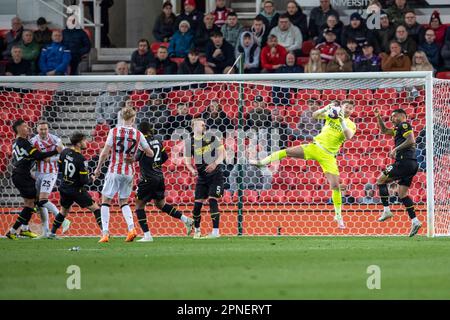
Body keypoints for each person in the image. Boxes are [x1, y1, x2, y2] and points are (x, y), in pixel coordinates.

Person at [251, 100, 357, 229]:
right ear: (342, 106)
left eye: (351, 108)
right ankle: (262, 163)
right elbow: (314, 115)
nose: (348, 110)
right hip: (315, 147)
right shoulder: (332, 114)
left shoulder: (351, 124)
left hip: (329, 156)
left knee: (335, 186)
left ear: (352, 111)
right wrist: (326, 107)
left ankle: (338, 216)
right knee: (287, 151)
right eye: (346, 107)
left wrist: (341, 121)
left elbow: (348, 136)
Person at [94, 107, 155, 243]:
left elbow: (104, 153)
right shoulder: (138, 134)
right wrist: (135, 156)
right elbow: (150, 153)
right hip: (129, 173)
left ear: (121, 118)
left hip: (114, 170)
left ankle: (105, 233)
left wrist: (98, 168)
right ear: (133, 119)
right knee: (124, 202)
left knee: (106, 201)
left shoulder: (114, 131)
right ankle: (131, 229)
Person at [134, 122, 193, 242]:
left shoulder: (142, 142)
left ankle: (147, 235)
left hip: (148, 178)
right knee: (160, 204)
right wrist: (156, 165)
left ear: (140, 131)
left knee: (139, 206)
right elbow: (165, 157)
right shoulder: (157, 140)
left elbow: (137, 157)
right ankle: (186, 220)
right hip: (159, 177)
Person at [5, 119, 62, 240]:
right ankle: (13, 231)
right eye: (25, 126)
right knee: (30, 205)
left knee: (35, 201)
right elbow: (39, 156)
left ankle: (25, 229)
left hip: (21, 174)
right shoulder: (25, 142)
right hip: (22, 175)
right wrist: (55, 151)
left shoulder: (16, 142)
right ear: (19, 129)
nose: (27, 128)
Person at [374, 108, 422, 237]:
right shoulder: (397, 130)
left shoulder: (404, 124)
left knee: (380, 180)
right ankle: (415, 221)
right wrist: (378, 116)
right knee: (402, 194)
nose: (391, 118)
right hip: (411, 165)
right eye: (390, 116)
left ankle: (386, 210)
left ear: (402, 116)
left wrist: (395, 149)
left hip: (403, 162)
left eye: (394, 116)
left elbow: (411, 140)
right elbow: (384, 131)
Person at [48, 133, 102, 239]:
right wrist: (93, 177)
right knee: (96, 209)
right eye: (84, 140)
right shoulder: (81, 159)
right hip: (76, 189)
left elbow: (60, 167)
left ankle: (52, 233)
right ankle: (105, 232)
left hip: (64, 187)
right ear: (78, 143)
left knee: (63, 211)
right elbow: (84, 181)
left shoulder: (64, 152)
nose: (86, 142)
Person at [184, 118, 225, 239]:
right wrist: (192, 170)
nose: (204, 126)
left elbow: (223, 154)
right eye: (201, 125)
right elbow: (187, 162)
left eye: (204, 124)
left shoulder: (212, 138)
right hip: (202, 178)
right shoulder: (189, 143)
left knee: (212, 200)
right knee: (197, 206)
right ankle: (197, 231)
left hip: (215, 175)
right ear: (193, 126)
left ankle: (216, 232)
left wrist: (214, 164)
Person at [29, 121, 67, 238]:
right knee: (40, 204)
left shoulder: (56, 139)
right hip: (38, 173)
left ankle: (62, 220)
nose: (43, 131)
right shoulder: (33, 141)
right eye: (41, 129)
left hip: (51, 173)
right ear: (37, 130)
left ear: (48, 129)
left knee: (43, 199)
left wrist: (51, 160)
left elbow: (64, 154)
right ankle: (46, 232)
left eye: (45, 129)